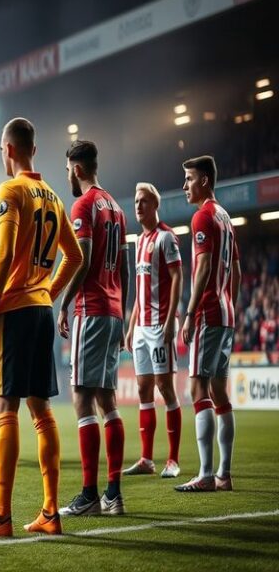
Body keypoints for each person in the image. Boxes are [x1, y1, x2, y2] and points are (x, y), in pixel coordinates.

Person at [0, 117, 82, 537]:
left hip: (14, 309)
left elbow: (6, 250)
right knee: (42, 411)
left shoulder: (10, 190)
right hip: (42, 311)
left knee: (6, 409)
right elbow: (75, 256)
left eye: (1, 149)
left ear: (9, 149)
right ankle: (50, 512)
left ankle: (0, 516)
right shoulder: (52, 195)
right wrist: (48, 290)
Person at [57, 140, 129, 517]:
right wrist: (125, 312)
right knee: (108, 402)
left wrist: (64, 303)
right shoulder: (116, 207)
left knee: (82, 398)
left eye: (68, 168)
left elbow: (81, 261)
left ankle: (88, 495)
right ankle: (113, 494)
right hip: (114, 310)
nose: (67, 174)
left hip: (91, 308)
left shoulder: (84, 205)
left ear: (78, 168)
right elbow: (125, 269)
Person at [176, 155, 240, 492]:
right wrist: (233, 306)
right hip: (226, 313)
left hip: (208, 313)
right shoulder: (225, 217)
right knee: (218, 391)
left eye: (188, 179)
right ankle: (224, 475)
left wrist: (189, 312)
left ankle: (204, 474)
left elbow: (201, 269)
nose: (185, 185)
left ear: (203, 179)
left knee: (197, 388)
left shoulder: (202, 216)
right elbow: (238, 273)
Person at [123, 183, 183, 479]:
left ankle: (173, 460)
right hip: (142, 328)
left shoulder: (166, 237)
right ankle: (146, 459)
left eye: (143, 201)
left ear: (154, 205)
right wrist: (130, 326)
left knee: (165, 387)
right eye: (136, 201)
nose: (138, 206)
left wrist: (171, 319)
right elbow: (138, 290)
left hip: (160, 326)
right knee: (143, 388)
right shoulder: (138, 240)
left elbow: (177, 278)